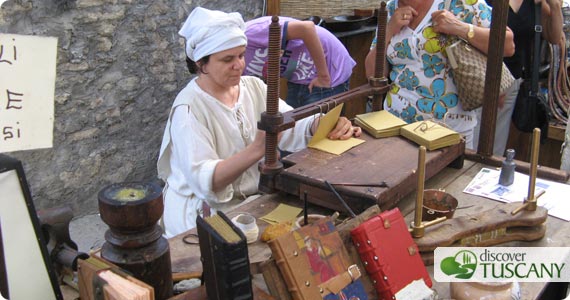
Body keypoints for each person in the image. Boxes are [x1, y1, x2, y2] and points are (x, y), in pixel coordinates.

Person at [157, 7, 361, 238]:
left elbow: (291, 122)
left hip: (250, 203)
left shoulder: (252, 87)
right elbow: (206, 180)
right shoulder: (189, 109)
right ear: (201, 64)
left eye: (241, 55)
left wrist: (323, 123)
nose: (239, 65)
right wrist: (257, 149)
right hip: (203, 218)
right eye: (227, 59)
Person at [364, 0, 515, 149]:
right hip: (395, 127)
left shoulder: (462, 3)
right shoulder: (390, 8)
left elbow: (508, 46)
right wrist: (389, 30)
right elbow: (372, 74)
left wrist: (460, 28)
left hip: (449, 133)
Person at [477, 0, 563, 156]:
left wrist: (555, 6)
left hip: (513, 81)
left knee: (494, 148)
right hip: (482, 79)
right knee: (475, 142)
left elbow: (554, 37)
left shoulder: (535, 3)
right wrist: (495, 83)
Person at [243, 16, 356, 108]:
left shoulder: (250, 33)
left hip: (329, 68)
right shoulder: (231, 66)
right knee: (293, 128)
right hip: (298, 76)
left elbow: (307, 28)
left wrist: (323, 77)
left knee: (318, 131)